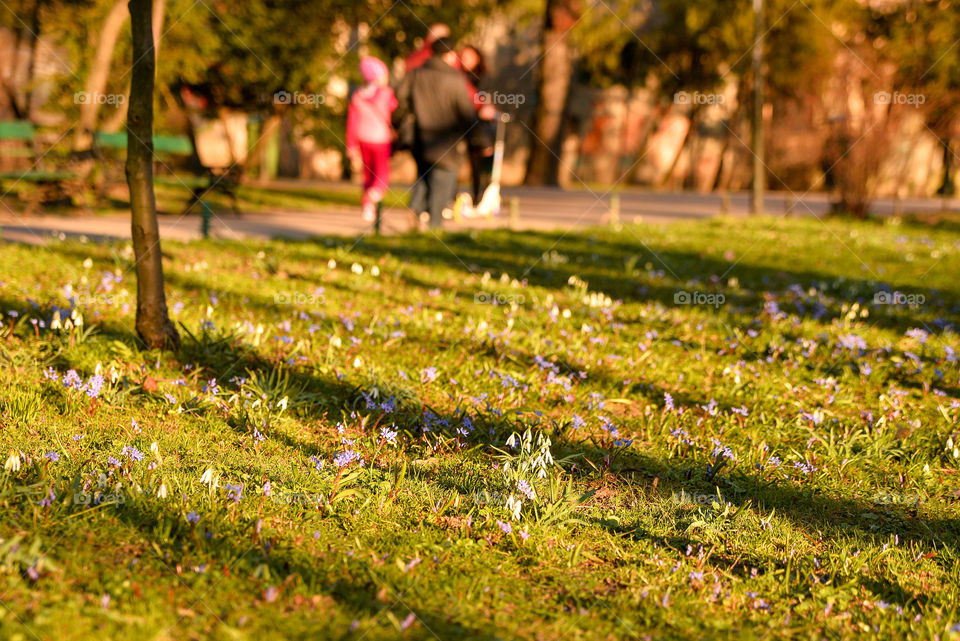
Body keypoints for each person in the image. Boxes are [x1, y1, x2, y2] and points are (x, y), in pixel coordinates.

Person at [393, 37, 480, 229]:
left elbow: (400, 100)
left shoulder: (416, 74)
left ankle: (415, 210)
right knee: (443, 181)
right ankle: (435, 226)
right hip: (447, 141)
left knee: (424, 176)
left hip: (420, 137)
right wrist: (478, 137)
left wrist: (399, 123)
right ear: (450, 55)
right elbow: (466, 112)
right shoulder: (455, 79)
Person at [346, 56, 397, 222]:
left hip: (363, 138)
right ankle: (375, 193)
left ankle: (367, 206)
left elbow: (352, 123)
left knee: (367, 173)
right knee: (382, 172)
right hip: (381, 138)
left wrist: (351, 145)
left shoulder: (357, 96)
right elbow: (395, 109)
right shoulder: (387, 94)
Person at [458, 44, 496, 207]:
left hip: (478, 127)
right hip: (459, 124)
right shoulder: (456, 76)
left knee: (477, 164)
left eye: (469, 57)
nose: (466, 61)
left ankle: (478, 196)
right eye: (464, 57)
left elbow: (486, 100)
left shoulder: (483, 78)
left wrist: (485, 107)